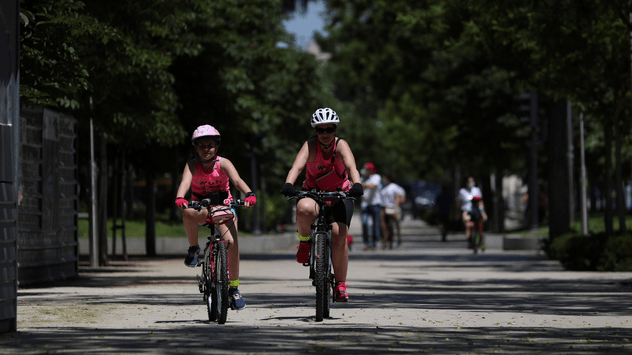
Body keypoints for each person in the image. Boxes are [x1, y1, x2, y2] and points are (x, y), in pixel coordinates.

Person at [281, 108, 363, 302]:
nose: (325, 134)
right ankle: (304, 241)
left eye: (329, 129)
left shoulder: (341, 145)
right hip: (314, 193)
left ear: (335, 130)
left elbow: (352, 167)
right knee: (304, 208)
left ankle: (340, 285)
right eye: (321, 130)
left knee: (339, 234)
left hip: (339, 193)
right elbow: (297, 166)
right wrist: (288, 183)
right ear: (315, 131)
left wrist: (357, 184)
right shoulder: (310, 146)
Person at [175, 125, 257, 310]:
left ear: (216, 147)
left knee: (232, 244)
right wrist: (180, 198)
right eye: (202, 145)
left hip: (224, 207)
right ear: (196, 147)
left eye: (210, 145)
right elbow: (185, 182)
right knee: (187, 211)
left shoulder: (224, 163)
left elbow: (237, 181)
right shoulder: (192, 165)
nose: (206, 149)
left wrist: (249, 194)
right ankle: (194, 249)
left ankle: (234, 289)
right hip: (202, 208)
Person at [378, 174, 406, 249]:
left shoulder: (395, 187)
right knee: (382, 226)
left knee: (393, 225)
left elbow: (402, 198)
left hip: (393, 209)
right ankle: (384, 241)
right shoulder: (382, 188)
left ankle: (397, 239)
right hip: (384, 208)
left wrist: (395, 207)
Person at [456, 176, 484, 248]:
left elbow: (480, 202)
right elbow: (459, 203)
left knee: (479, 226)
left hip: (476, 211)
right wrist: (457, 213)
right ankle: (470, 239)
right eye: (469, 182)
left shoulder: (476, 190)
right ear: (466, 183)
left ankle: (480, 242)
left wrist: (482, 211)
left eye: (472, 181)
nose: (471, 183)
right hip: (466, 211)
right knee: (468, 225)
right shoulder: (462, 191)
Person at [360, 162, 383, 250]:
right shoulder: (362, 178)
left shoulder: (376, 177)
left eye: (365, 169)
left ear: (370, 170)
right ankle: (366, 243)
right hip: (365, 204)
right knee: (364, 223)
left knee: (375, 225)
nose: (363, 171)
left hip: (375, 204)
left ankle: (374, 243)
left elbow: (371, 185)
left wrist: (360, 184)